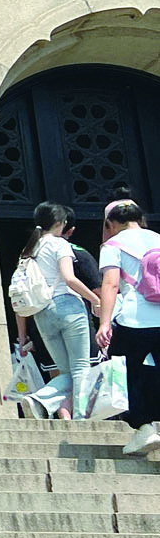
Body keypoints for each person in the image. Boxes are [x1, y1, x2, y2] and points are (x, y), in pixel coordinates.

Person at [15, 202, 101, 420]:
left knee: (66, 371)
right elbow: (69, 279)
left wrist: (23, 336)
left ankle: (39, 399)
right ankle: (80, 416)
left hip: (42, 312)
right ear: (61, 223)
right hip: (68, 307)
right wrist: (94, 300)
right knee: (81, 367)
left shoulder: (29, 249)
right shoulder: (59, 244)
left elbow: (22, 291)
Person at [97, 193, 160, 456]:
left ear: (111, 224)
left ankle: (144, 427)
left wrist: (104, 323)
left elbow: (111, 284)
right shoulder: (157, 238)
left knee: (121, 370)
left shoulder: (113, 245)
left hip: (134, 319)